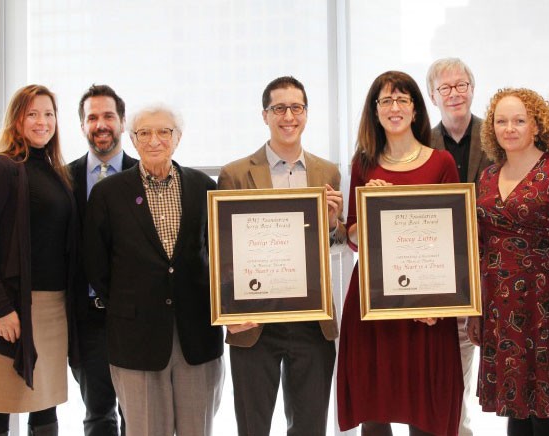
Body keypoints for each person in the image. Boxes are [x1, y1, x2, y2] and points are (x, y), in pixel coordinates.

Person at [83, 104, 225, 436]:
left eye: (164, 131)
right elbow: (96, 264)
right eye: (144, 133)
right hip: (136, 338)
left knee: (197, 430)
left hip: (197, 336)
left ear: (178, 137)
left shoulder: (204, 186)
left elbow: (221, 256)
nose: (154, 140)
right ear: (132, 139)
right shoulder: (108, 193)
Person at [337, 70, 463, 436]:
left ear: (416, 109)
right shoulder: (363, 163)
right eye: (386, 100)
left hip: (426, 302)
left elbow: (453, 239)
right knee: (375, 406)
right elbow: (354, 238)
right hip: (373, 299)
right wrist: (374, 204)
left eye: (402, 100)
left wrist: (439, 303)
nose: (394, 108)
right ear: (374, 111)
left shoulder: (441, 163)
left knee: (427, 409)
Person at [218, 76, 345, 436]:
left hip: (312, 320)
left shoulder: (327, 171)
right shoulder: (235, 174)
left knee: (310, 427)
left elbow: (333, 239)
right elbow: (222, 251)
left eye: (297, 107)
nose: (289, 116)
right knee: (252, 427)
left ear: (306, 113)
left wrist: (333, 223)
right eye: (279, 108)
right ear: (265, 115)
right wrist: (228, 312)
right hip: (254, 322)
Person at [470, 88, 549, 436]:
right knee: (515, 409)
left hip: (546, 308)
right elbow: (480, 247)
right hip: (499, 309)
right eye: (501, 121)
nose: (509, 128)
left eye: (519, 121)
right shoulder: (487, 177)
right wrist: (475, 311)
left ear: (536, 126)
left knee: (545, 410)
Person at [0, 84, 78, 436]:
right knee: (0, 402)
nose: (42, 121)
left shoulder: (54, 171)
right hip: (15, 306)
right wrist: (1, 308)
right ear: (16, 120)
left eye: (48, 114)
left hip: (54, 305)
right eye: (32, 113)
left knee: (45, 400)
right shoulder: (2, 169)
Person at [426, 57, 492, 436]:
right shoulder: (422, 143)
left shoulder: (498, 136)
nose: (455, 94)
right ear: (433, 96)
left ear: (472, 87)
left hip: (495, 270)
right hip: (442, 273)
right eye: (446, 88)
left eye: (461, 85)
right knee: (451, 369)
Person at [69, 84, 137, 436]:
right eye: (92, 117)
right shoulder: (63, 179)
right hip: (86, 321)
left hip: (136, 319)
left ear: (122, 122)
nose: (101, 124)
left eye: (108, 115)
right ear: (82, 126)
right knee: (98, 415)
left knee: (137, 417)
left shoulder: (146, 177)